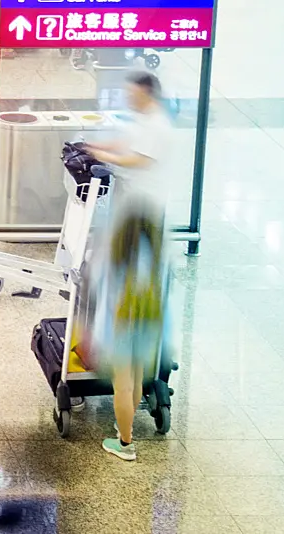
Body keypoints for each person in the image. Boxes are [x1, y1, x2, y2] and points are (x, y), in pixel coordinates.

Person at [84, 71, 175, 461]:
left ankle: (124, 443)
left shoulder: (119, 265)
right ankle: (127, 433)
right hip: (149, 319)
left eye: (130, 93)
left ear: (145, 93)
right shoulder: (154, 265)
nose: (126, 98)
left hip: (125, 315)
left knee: (123, 379)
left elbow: (137, 157)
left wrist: (102, 155)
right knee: (136, 373)